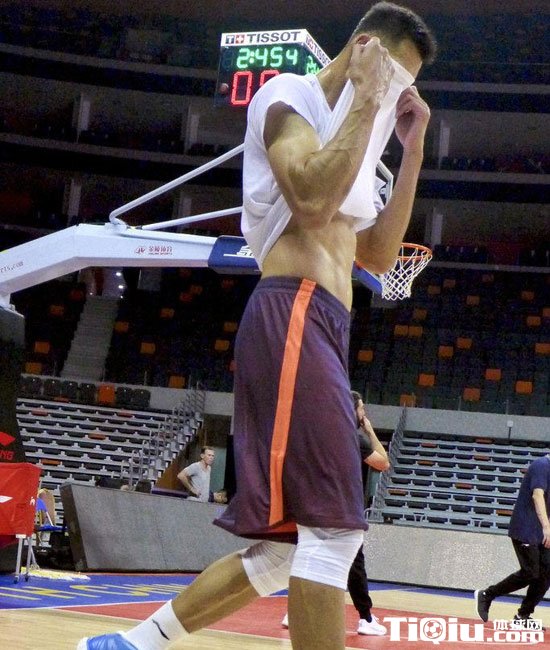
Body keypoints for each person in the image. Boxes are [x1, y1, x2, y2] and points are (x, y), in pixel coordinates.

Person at [77, 3, 436, 649]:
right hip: (292, 307)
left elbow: (380, 256)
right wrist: (368, 97)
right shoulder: (289, 96)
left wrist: (410, 151)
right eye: (394, 75)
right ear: (364, 48)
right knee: (335, 532)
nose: (395, 93)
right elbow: (312, 200)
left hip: (322, 323)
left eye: (406, 86)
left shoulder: (361, 136)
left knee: (282, 552)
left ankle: (130, 645)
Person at [281, 390, 390, 635]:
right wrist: (369, 430)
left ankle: (293, 612)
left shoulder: (318, 434)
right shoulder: (352, 438)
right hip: (342, 508)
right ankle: (366, 619)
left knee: (308, 558)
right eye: (361, 408)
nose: (364, 413)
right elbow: (383, 463)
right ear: (352, 411)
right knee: (355, 564)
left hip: (312, 505)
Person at [475, 454, 550, 626]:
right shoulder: (542, 465)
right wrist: (546, 526)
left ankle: (523, 616)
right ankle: (487, 595)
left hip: (541, 530)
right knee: (531, 572)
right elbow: (537, 495)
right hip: (525, 528)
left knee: (547, 573)